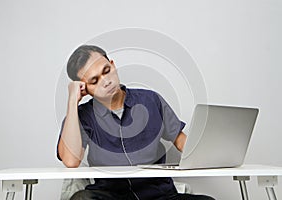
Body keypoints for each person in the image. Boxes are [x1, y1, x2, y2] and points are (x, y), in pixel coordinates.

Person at [57, 45, 215, 200]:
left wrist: (216, 155)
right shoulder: (82, 116)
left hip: (159, 195)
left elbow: (181, 141)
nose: (106, 82)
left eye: (107, 71)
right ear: (84, 88)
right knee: (82, 198)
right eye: (94, 81)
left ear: (113, 65)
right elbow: (71, 161)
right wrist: (72, 101)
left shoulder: (151, 100)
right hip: (110, 195)